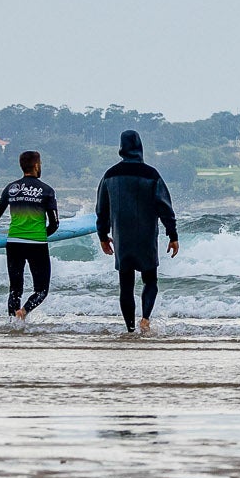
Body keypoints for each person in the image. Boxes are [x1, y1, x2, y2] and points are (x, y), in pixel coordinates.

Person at [96, 129, 179, 336]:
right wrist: (173, 235)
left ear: (121, 147)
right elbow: (165, 207)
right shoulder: (151, 174)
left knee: (126, 285)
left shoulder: (110, 175)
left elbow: (102, 209)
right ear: (140, 146)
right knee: (150, 280)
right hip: (146, 236)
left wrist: (103, 236)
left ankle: (130, 329)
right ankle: (145, 319)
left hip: (122, 237)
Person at [0, 150, 59, 320]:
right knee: (41, 290)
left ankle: (13, 323)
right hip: (37, 244)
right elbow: (54, 224)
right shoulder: (47, 190)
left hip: (14, 243)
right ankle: (24, 311)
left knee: (15, 289)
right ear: (36, 165)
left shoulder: (11, 188)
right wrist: (40, 235)